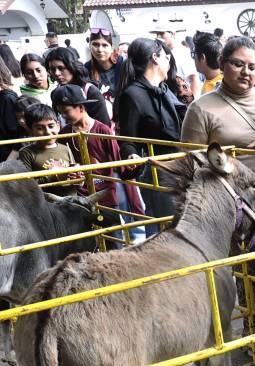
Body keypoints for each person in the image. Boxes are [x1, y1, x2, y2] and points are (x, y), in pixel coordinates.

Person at [180, 37, 255, 201]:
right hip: (235, 209)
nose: (245, 72)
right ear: (222, 63)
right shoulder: (200, 109)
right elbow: (191, 165)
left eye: (252, 67)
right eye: (238, 64)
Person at [53, 83, 145, 244]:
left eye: (66, 111)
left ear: (80, 107)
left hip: (107, 194)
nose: (63, 116)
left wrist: (133, 166)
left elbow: (120, 164)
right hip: (81, 196)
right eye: (60, 112)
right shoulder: (65, 133)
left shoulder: (103, 130)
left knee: (114, 237)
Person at [115, 38, 184, 232]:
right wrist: (131, 154)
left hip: (182, 166)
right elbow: (128, 138)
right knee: (166, 229)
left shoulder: (165, 88)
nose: (169, 60)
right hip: (159, 172)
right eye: (166, 56)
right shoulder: (133, 94)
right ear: (155, 58)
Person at [17, 102, 79, 195]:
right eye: (40, 128)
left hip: (71, 203)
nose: (48, 132)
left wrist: (78, 178)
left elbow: (75, 182)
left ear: (58, 126)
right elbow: (27, 187)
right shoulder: (26, 153)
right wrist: (56, 177)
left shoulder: (65, 148)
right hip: (47, 206)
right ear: (30, 130)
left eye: (51, 126)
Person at [44, 47, 112, 126]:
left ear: (71, 66)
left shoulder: (90, 92)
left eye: (61, 68)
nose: (57, 73)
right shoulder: (55, 93)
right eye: (52, 69)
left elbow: (103, 128)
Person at [149, 21, 199, 99]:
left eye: (162, 33)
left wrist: (192, 103)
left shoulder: (182, 52)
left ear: (173, 33)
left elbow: (194, 78)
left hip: (182, 97)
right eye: (157, 34)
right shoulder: (160, 52)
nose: (158, 36)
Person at [85, 28, 121, 107]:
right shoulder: (86, 68)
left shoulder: (123, 65)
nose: (100, 50)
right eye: (95, 44)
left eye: (105, 45)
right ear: (90, 46)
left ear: (112, 48)